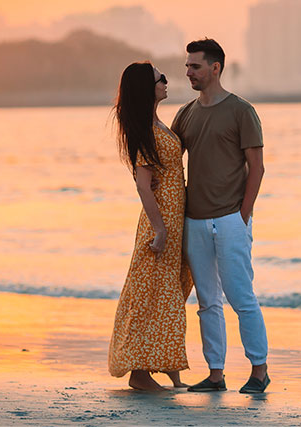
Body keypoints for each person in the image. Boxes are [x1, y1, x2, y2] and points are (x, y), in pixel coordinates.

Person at [171, 38, 270, 394]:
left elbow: (256, 168)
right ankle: (216, 374)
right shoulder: (186, 113)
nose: (188, 72)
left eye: (195, 66)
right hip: (194, 221)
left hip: (230, 219)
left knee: (241, 296)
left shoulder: (241, 111)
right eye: (187, 66)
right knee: (207, 302)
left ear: (215, 68)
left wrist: (242, 216)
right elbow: (167, 159)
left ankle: (259, 371)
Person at [108, 62, 193, 392]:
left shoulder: (158, 124)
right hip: (161, 222)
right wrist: (159, 229)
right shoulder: (145, 129)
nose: (166, 81)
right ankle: (139, 373)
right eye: (161, 78)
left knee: (170, 293)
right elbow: (144, 185)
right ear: (148, 87)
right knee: (152, 295)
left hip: (173, 217)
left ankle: (167, 369)